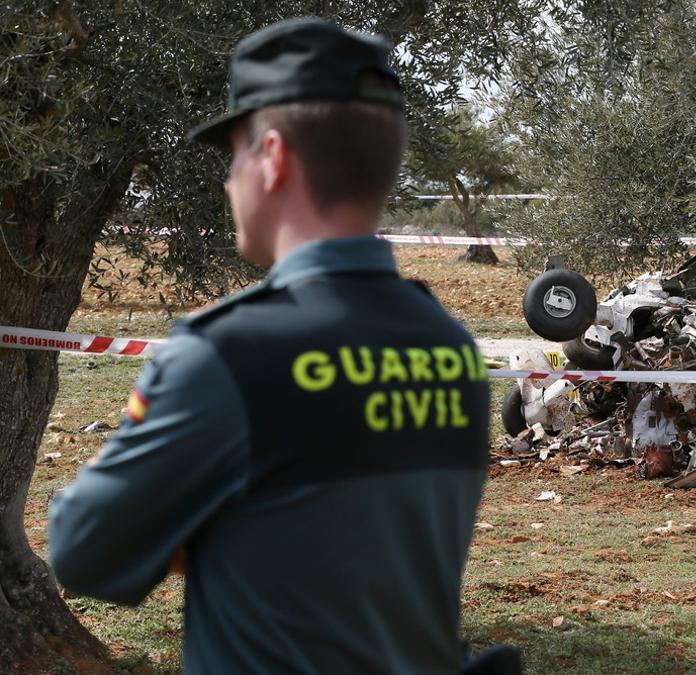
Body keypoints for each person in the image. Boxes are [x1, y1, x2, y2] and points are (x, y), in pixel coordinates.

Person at [49, 18, 497, 673]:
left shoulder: (225, 355)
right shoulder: (451, 346)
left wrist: (195, 521)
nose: (229, 181)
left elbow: (82, 548)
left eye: (234, 154)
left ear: (274, 157)